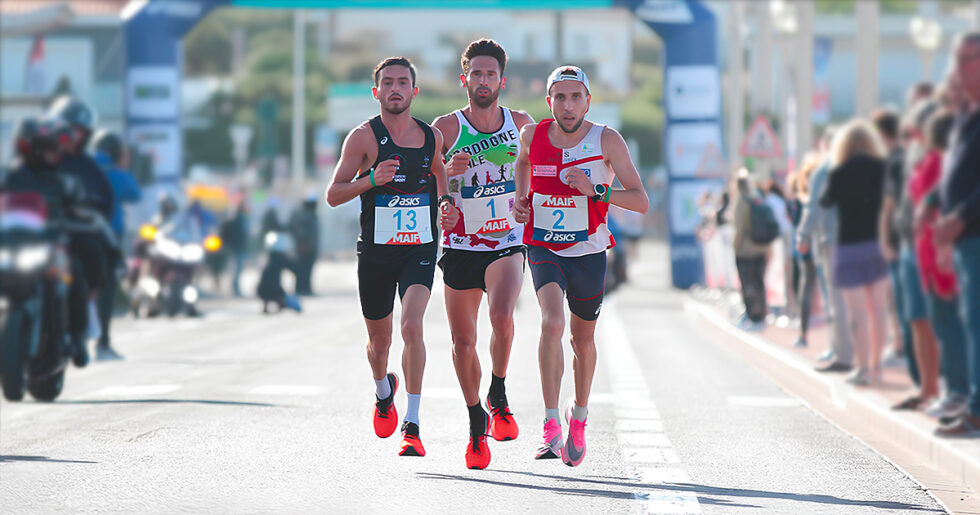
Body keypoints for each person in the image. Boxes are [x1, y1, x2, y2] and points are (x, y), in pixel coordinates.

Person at [512, 65, 649, 467]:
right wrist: (521, 199)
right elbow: (523, 164)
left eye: (576, 97)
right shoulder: (531, 135)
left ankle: (580, 417)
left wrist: (598, 190)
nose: (568, 106)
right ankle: (551, 423)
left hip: (588, 249)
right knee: (550, 323)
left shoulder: (606, 139)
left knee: (582, 341)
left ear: (588, 101)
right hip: (542, 246)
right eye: (560, 97)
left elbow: (641, 201)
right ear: (549, 101)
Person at [326, 57, 455, 456]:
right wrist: (371, 180)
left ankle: (412, 426)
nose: (395, 88)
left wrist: (446, 199)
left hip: (418, 247)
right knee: (378, 343)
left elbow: (438, 170)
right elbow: (333, 194)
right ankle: (384, 391)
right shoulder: (363, 138)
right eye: (388, 83)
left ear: (414, 91)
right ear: (376, 91)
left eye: (403, 82)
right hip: (377, 253)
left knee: (412, 327)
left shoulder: (431, 135)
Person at [431, 39, 534, 469]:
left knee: (503, 317)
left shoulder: (523, 124)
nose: (484, 81)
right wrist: (446, 184)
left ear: (502, 80)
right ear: (465, 79)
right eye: (477, 73)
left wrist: (528, 199)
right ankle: (476, 421)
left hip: (506, 240)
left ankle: (499, 390)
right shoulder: (447, 128)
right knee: (462, 342)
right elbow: (429, 180)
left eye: (491, 74)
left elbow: (539, 169)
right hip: (461, 246)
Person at [3, 118, 91, 367]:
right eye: (49, 147)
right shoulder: (8, 177)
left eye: (57, 148)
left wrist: (84, 218)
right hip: (11, 247)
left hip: (51, 248)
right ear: (30, 148)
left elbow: (82, 208)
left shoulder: (65, 181)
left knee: (76, 272)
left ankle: (77, 337)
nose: (55, 153)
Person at [907, 109, 969, 419]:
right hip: (930, 255)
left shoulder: (941, 164)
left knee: (951, 326)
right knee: (945, 326)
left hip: (939, 253)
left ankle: (958, 391)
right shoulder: (937, 162)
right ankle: (953, 389)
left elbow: (944, 205)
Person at [819, 119, 890, 386]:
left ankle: (862, 368)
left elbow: (825, 200)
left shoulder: (839, 172)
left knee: (857, 313)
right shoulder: (882, 169)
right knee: (879, 309)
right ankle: (877, 366)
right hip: (877, 244)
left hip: (848, 246)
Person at [934, 32, 980, 437]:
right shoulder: (968, 118)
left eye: (969, 60)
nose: (961, 69)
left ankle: (977, 409)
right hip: (966, 238)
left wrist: (959, 217)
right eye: (959, 60)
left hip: (974, 233)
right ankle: (973, 403)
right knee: (971, 323)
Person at [48, 96, 116, 365]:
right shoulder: (36, 157)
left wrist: (89, 214)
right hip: (36, 236)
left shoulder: (88, 167)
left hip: (73, 236)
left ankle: (79, 332)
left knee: (90, 258)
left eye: (78, 130)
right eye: (68, 127)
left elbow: (105, 202)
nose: (71, 134)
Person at [886, 100, 942, 410]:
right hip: (910, 244)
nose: (910, 137)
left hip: (931, 247)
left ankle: (945, 389)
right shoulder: (915, 160)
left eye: (915, 131)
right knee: (916, 319)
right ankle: (927, 388)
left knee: (936, 321)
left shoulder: (940, 159)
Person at [871, 108, 920, 397]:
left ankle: (903, 348)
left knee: (903, 303)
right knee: (903, 303)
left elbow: (887, 207)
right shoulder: (898, 160)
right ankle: (903, 347)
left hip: (903, 243)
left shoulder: (895, 161)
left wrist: (884, 242)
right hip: (904, 240)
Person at [797, 126, 853, 373]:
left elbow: (814, 206)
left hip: (831, 239)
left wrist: (802, 234)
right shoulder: (853, 167)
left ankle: (841, 353)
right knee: (854, 300)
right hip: (856, 239)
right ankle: (853, 352)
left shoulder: (825, 168)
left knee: (836, 300)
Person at [91, 129, 141, 361]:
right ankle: (103, 344)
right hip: (108, 239)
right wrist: (124, 165)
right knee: (107, 289)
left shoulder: (82, 165)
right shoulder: (115, 173)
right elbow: (135, 194)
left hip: (72, 235)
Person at [731, 168, 770, 330]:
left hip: (746, 250)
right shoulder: (758, 199)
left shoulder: (741, 202)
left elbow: (740, 230)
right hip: (761, 248)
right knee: (759, 283)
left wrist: (735, 247)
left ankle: (752, 317)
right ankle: (761, 317)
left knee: (748, 284)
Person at [288, 194, 320, 296]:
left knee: (306, 269)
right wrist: (302, 243)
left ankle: (304, 288)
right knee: (303, 269)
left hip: (308, 247)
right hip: (306, 247)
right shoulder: (306, 217)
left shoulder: (308, 216)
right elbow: (300, 231)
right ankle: (302, 289)